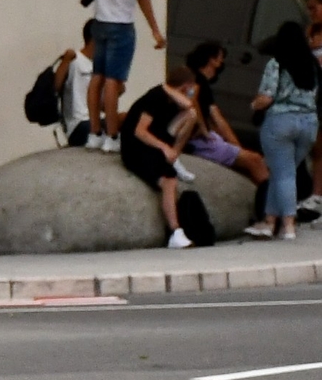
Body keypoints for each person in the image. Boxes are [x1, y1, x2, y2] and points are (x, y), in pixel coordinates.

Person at [78, 0, 163, 153]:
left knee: (97, 78)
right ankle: (112, 136)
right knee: (113, 81)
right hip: (121, 23)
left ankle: (95, 133)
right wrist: (155, 30)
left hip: (101, 20)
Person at [246, 19, 320, 241]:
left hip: (280, 122)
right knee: (282, 173)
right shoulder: (313, 64)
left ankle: (288, 225)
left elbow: (266, 97)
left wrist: (253, 104)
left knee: (283, 174)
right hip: (309, 123)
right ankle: (269, 222)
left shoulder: (276, 63)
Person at [118, 61, 201, 248]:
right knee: (168, 179)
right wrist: (163, 147)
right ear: (185, 86)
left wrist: (170, 151)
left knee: (191, 114)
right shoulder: (155, 98)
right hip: (137, 147)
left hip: (157, 142)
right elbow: (140, 131)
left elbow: (189, 106)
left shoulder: (175, 101)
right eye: (191, 88)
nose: (193, 92)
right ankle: (175, 231)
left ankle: (174, 158)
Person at [181, 39, 270, 189]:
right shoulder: (198, 82)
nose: (223, 61)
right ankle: (274, 204)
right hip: (196, 141)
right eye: (220, 57)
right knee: (254, 159)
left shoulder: (195, 79)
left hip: (199, 137)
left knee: (253, 159)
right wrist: (237, 146)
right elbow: (217, 120)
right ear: (212, 60)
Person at [53, 27, 97, 145]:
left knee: (125, 121)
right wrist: (65, 61)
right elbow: (55, 88)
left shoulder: (98, 65)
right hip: (78, 124)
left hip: (94, 120)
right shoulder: (74, 59)